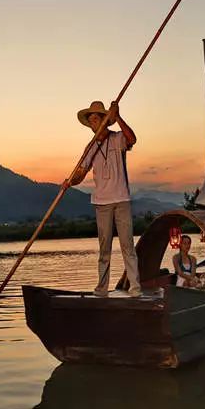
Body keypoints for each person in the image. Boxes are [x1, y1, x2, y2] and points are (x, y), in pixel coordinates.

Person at [63, 100, 141, 298]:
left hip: (121, 199)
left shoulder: (117, 139)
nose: (93, 124)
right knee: (104, 249)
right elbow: (81, 172)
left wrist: (118, 116)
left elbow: (132, 139)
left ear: (105, 120)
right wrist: (69, 183)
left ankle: (135, 287)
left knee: (127, 246)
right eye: (90, 121)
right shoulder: (90, 148)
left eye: (96, 119)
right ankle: (102, 289)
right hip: (101, 203)